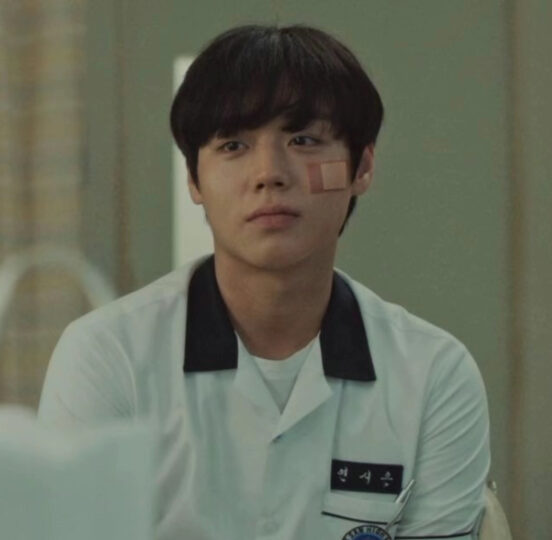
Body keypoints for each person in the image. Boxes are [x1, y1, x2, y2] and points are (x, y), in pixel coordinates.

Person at [38, 24, 491, 540]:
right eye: (233, 145)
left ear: (361, 167)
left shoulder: (434, 376)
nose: (269, 173)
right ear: (194, 179)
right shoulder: (109, 355)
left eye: (304, 140)